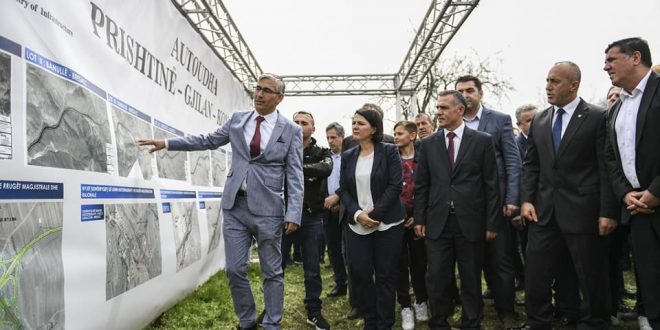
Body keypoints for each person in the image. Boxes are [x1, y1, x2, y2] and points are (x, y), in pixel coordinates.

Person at [138, 73, 304, 330]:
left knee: (272, 272)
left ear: (279, 98)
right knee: (235, 269)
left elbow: (295, 173)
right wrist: (167, 143)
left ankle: (272, 323)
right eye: (257, 89)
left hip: (269, 210)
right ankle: (247, 321)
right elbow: (207, 140)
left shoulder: (291, 131)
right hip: (235, 207)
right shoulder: (238, 120)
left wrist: (293, 213)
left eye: (266, 91)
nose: (258, 94)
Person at [520, 61, 618, 330]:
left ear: (574, 85)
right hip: (544, 211)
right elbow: (532, 164)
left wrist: (607, 211)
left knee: (590, 274)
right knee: (536, 273)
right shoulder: (540, 119)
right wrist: (527, 199)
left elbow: (605, 167)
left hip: (584, 211)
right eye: (548, 80)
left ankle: (594, 322)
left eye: (555, 81)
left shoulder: (598, 117)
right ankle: (538, 321)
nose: (548, 86)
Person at [414, 90, 500, 329]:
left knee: (471, 277)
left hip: (471, 222)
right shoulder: (428, 144)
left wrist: (492, 223)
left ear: (460, 110)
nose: (438, 112)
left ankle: (471, 323)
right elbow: (422, 185)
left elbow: (491, 185)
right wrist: (420, 218)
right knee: (437, 277)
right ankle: (439, 322)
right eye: (437, 107)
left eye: (443, 108)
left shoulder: (482, 141)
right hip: (437, 222)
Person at [603, 37, 660, 330]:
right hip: (637, 209)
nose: (605, 66)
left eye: (612, 59)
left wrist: (654, 192)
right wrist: (627, 193)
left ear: (636, 57)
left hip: (655, 200)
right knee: (649, 277)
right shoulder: (616, 107)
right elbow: (611, 158)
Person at [455, 75, 520, 328]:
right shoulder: (450, 124)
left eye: (470, 90)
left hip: (497, 204)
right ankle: (473, 313)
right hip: (464, 208)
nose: (466, 94)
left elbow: (512, 161)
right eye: (460, 91)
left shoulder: (500, 120)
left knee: (501, 261)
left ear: (480, 93)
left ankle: (507, 311)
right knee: (469, 264)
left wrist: (512, 198)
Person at [338, 107, 405, 329]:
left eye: (361, 123)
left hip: (387, 224)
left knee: (385, 275)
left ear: (374, 128)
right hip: (357, 225)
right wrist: (358, 215)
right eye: (354, 122)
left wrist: (374, 215)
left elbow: (395, 185)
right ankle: (370, 320)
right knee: (361, 274)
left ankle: (385, 323)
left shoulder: (389, 151)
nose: (355, 126)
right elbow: (344, 190)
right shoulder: (348, 155)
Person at [279, 110, 332, 329]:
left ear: (313, 128)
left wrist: (293, 169)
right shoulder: (280, 147)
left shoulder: (322, 151)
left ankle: (314, 312)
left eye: (305, 123)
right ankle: (271, 310)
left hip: (311, 216)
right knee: (276, 268)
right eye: (296, 122)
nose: (300, 126)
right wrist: (306, 173)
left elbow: (325, 168)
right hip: (282, 217)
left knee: (312, 268)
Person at [393, 120, 428, 330]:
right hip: (395, 219)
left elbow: (429, 188)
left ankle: (421, 300)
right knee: (399, 263)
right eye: (394, 133)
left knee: (419, 262)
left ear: (412, 135)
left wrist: (419, 215)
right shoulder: (391, 159)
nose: (395, 137)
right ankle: (405, 305)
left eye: (400, 133)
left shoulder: (424, 159)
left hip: (418, 219)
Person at [512, 104, 538, 292]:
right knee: (530, 253)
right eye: (529, 120)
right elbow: (516, 176)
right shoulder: (514, 145)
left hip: (547, 204)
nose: (534, 123)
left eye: (536, 118)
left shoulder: (547, 138)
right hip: (525, 208)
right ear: (519, 124)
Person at [322, 122, 348, 299]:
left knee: (348, 249)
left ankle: (354, 285)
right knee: (332, 248)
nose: (330, 141)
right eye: (328, 138)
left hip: (346, 206)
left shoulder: (350, 156)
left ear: (342, 136)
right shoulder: (325, 158)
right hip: (327, 207)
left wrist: (339, 198)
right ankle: (340, 283)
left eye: (334, 137)